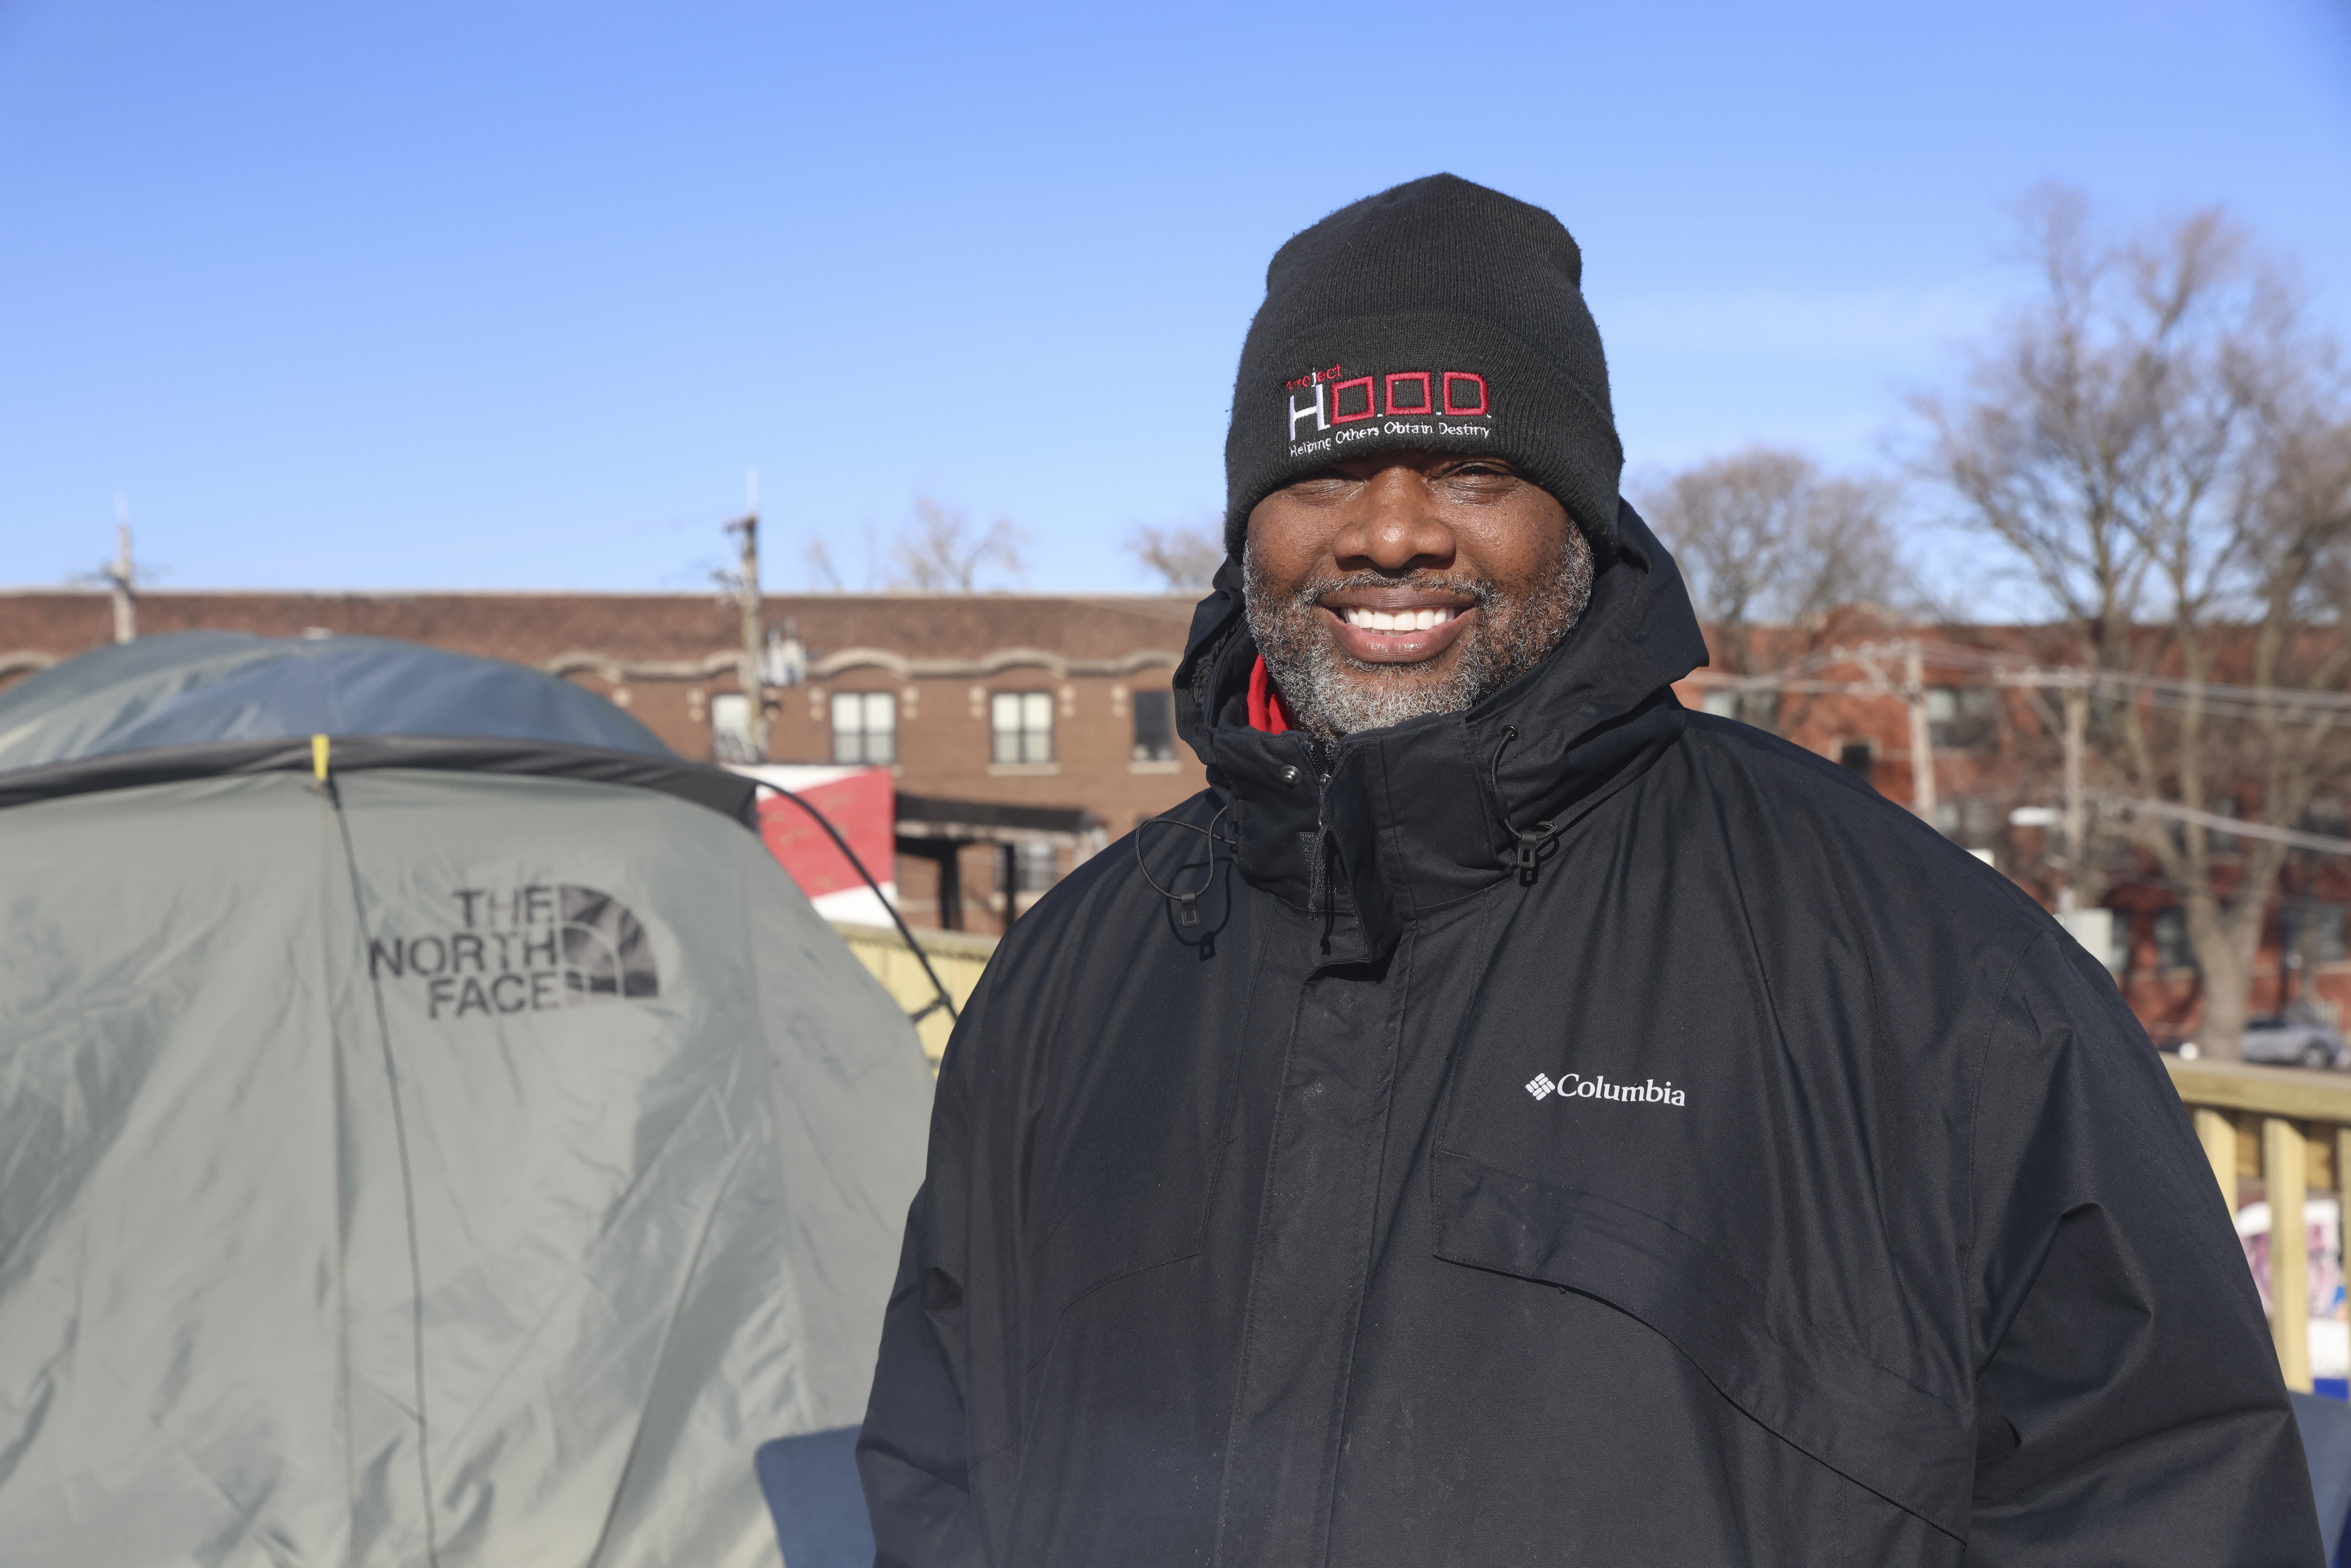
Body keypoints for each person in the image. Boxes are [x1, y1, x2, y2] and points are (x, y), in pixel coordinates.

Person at [856, 174, 2320, 1566]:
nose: (1390, 530)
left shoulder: (1934, 981)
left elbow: (2160, 1494)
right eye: (1325, 472)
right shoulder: (1070, 981)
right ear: (1252, 518)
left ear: (1581, 515)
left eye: (1474, 469)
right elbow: (939, 1463)